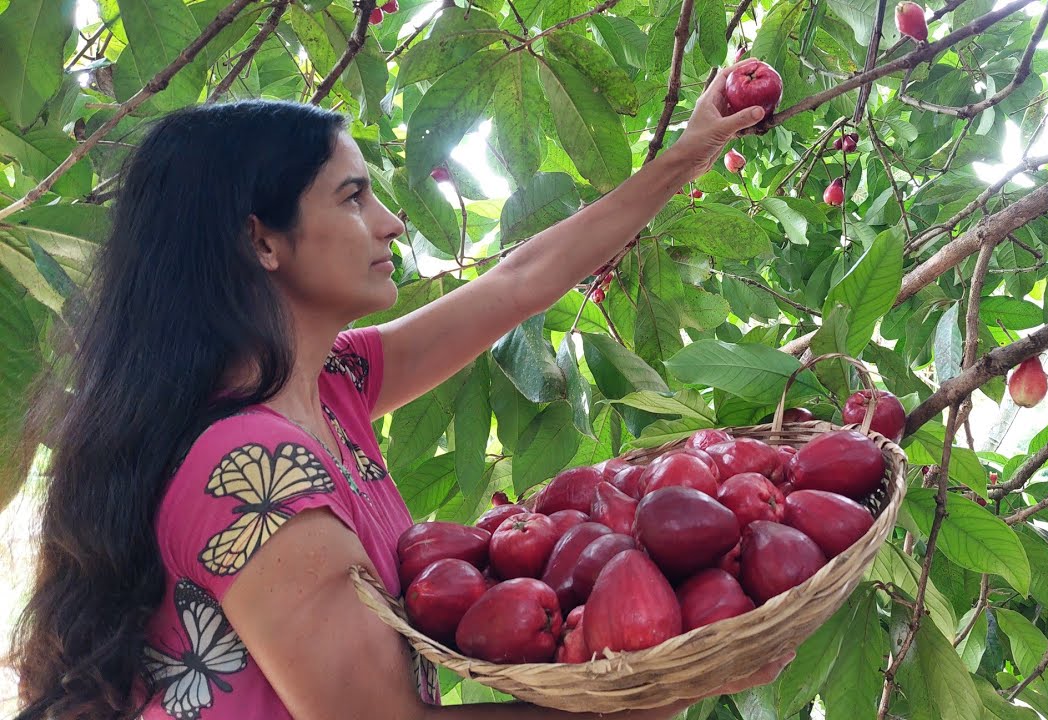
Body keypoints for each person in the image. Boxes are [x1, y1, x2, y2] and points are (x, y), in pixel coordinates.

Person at [10, 62, 792, 720]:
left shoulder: (330, 386)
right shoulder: (251, 470)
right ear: (261, 240)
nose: (389, 223)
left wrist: (691, 151)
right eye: (353, 197)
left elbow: (518, 283)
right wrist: (661, 685)